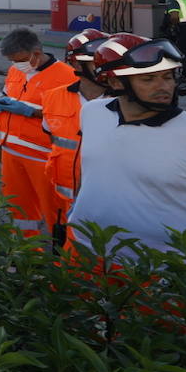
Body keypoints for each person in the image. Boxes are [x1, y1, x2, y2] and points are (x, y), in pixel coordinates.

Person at [68, 33, 186, 259]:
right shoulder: (92, 112)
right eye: (148, 79)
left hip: (165, 272)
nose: (164, 86)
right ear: (115, 82)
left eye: (167, 76)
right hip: (86, 252)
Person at [0, 28, 76, 237]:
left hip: (43, 157)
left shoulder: (67, 76)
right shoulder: (16, 70)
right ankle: (25, 258)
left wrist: (32, 112)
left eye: (19, 60)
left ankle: (62, 263)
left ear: (36, 53)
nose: (16, 65)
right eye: (11, 61)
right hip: (11, 152)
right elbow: (8, 93)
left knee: (55, 214)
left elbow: (70, 118)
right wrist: (2, 103)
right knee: (19, 211)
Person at [41, 28, 111, 246]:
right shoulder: (53, 98)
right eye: (97, 62)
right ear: (77, 65)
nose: (105, 68)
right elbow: (54, 139)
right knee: (64, 261)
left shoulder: (126, 104)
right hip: (63, 202)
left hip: (106, 206)